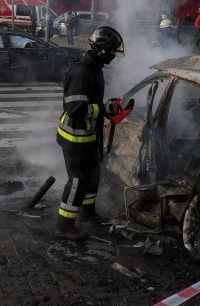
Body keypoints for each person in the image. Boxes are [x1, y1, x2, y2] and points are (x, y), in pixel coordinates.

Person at [55, 26, 132, 241]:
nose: (113, 57)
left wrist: (106, 108)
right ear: (101, 50)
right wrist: (103, 109)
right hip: (74, 138)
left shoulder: (95, 68)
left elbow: (92, 104)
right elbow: (76, 109)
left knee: (92, 176)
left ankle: (88, 212)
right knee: (78, 180)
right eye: (112, 53)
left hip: (88, 135)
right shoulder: (81, 72)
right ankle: (64, 225)